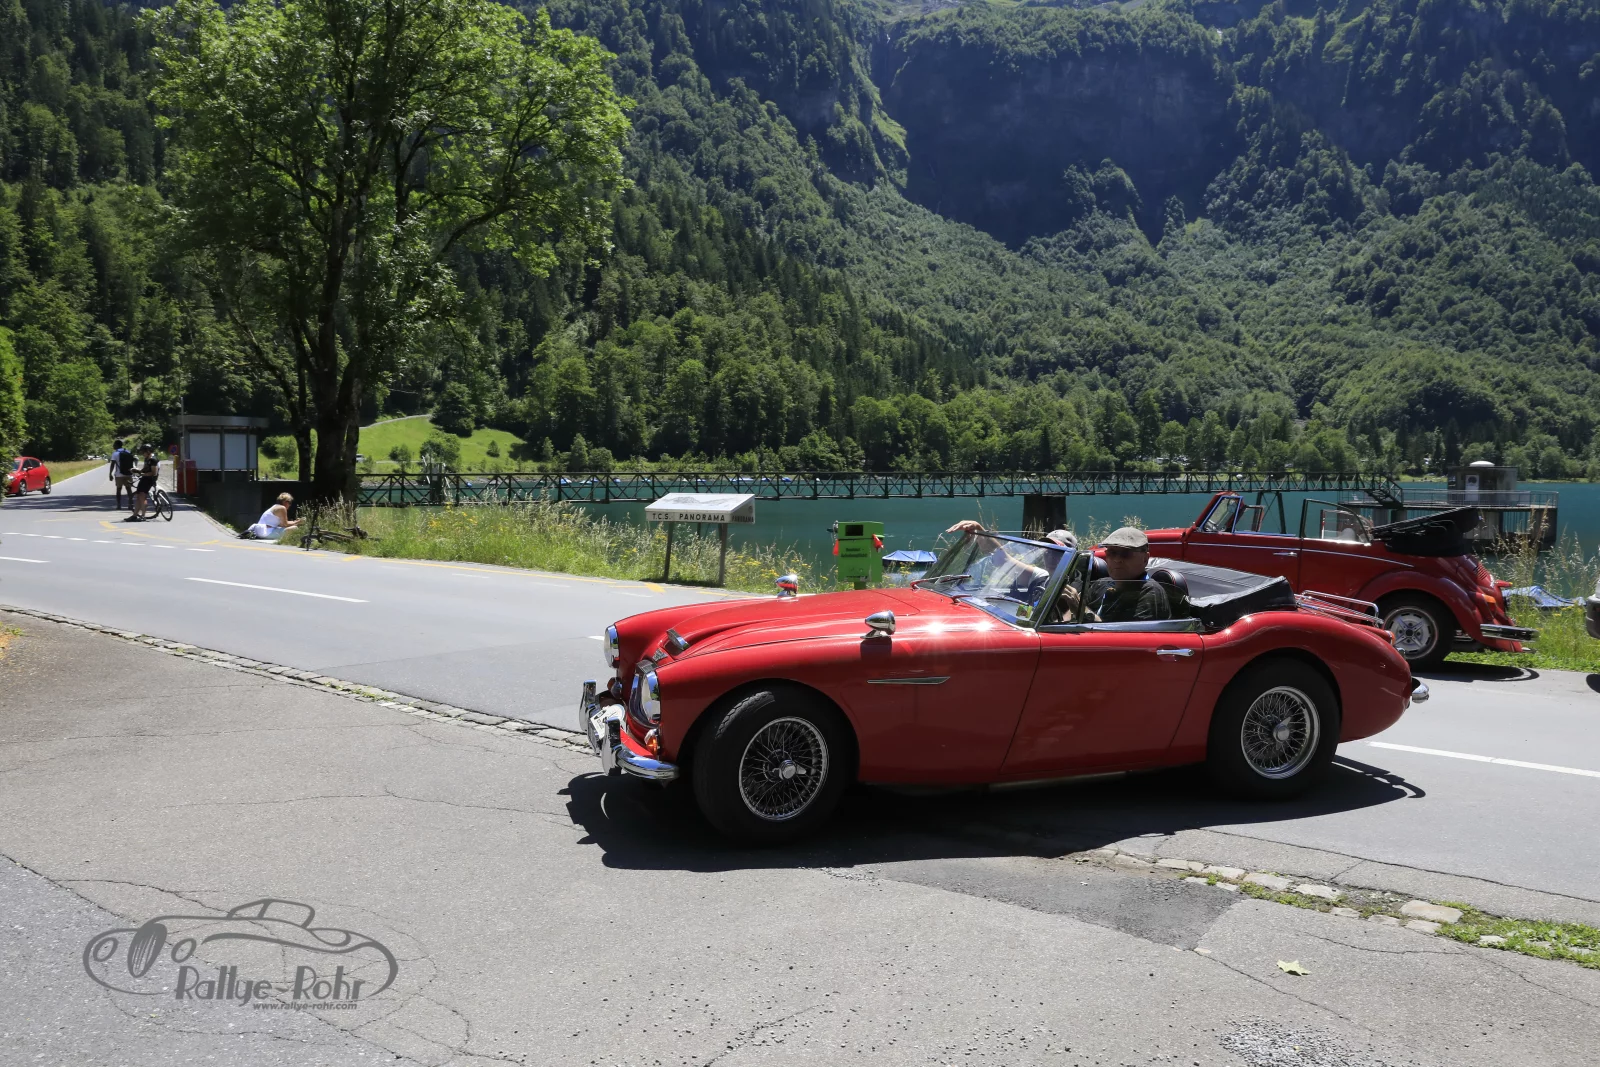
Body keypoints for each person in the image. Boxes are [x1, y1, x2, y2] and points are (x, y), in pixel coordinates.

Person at [1060, 526, 1170, 623]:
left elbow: (1124, 637)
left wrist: (1082, 611)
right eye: (1112, 553)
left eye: (1126, 554)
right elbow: (1069, 618)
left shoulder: (1150, 592)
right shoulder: (1100, 584)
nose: (1117, 560)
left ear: (1145, 559)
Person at [128, 444, 159, 521]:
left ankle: (143, 516)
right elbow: (145, 469)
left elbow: (154, 473)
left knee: (142, 496)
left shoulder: (153, 460)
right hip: (145, 478)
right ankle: (134, 515)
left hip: (150, 479)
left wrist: (142, 474)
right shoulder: (147, 459)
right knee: (139, 496)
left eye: (143, 452)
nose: (142, 454)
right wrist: (137, 471)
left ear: (148, 451)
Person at [109, 439, 134, 509]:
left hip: (119, 474)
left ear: (117, 445)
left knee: (119, 489)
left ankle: (119, 505)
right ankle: (130, 504)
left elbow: (112, 464)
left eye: (114, 444)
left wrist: (110, 474)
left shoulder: (115, 453)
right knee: (129, 489)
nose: (113, 446)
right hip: (128, 473)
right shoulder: (128, 451)